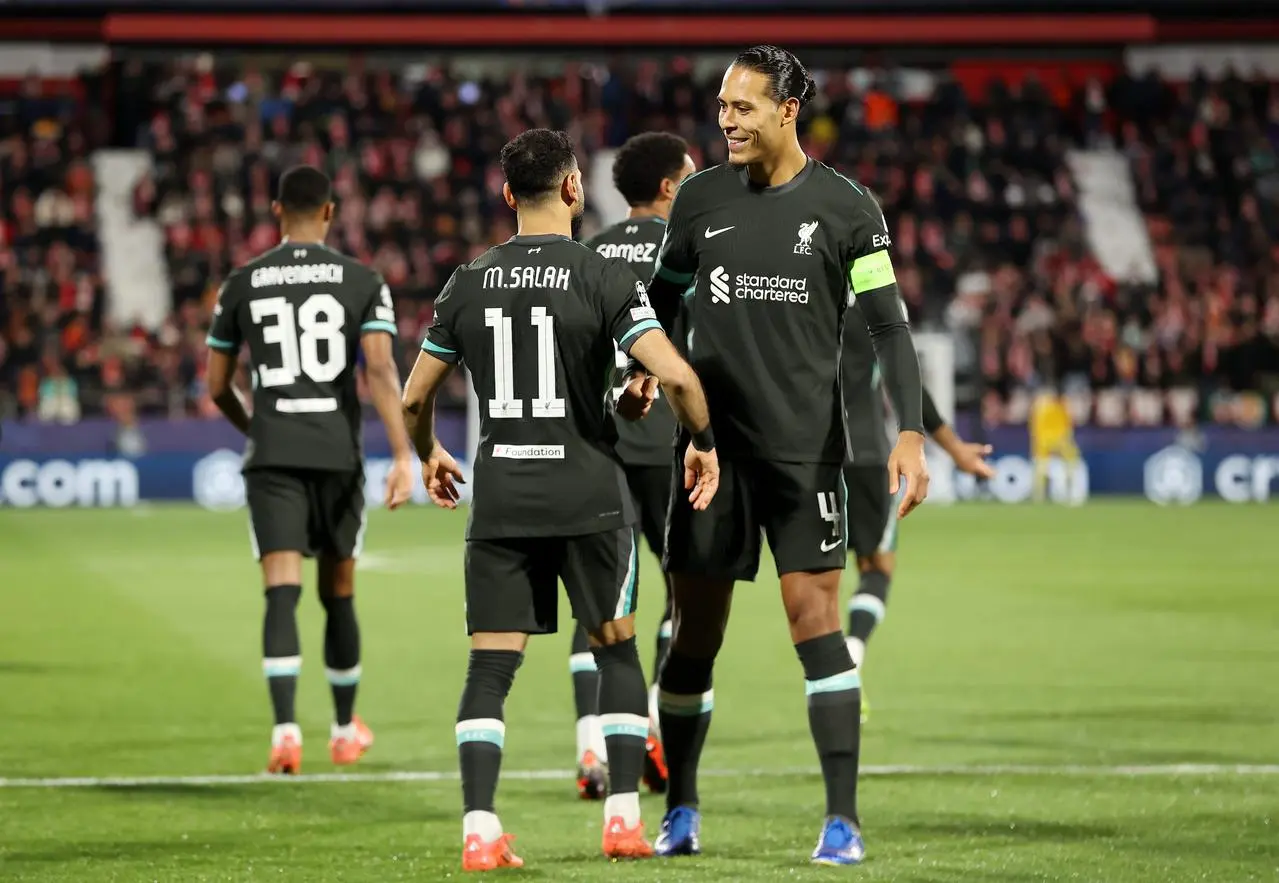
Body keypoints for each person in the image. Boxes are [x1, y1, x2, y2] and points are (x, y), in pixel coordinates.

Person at [619, 45, 929, 866]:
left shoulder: (845, 208)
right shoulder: (700, 201)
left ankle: (841, 820)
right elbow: (656, 302)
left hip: (804, 455)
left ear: (787, 110)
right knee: (694, 635)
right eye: (722, 107)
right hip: (709, 455)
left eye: (744, 107)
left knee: (816, 624)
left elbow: (888, 326)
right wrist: (644, 369)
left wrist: (908, 431)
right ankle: (679, 808)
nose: (727, 121)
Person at [400, 128, 719, 872]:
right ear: (574, 190)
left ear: (509, 195)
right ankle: (620, 822)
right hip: (589, 492)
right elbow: (673, 374)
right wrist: (699, 436)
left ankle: (479, 829)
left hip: (503, 490)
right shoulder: (603, 277)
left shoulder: (467, 280)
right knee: (615, 645)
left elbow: (416, 394)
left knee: (489, 667)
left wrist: (426, 453)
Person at [205, 164, 414, 775]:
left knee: (281, 590)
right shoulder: (363, 280)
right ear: (329, 212)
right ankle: (346, 729)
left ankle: (285, 733)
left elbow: (217, 385)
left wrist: (256, 429)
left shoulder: (242, 282)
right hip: (336, 454)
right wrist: (403, 453)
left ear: (276, 211)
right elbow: (378, 371)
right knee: (339, 593)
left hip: (273, 455)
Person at [568, 131, 697, 800]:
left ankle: (590, 747)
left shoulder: (587, 253)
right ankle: (649, 719)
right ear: (670, 187)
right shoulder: (691, 250)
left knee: (598, 601)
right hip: (674, 446)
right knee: (683, 595)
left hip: (600, 446)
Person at [842, 307, 996, 720]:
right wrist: (956, 449)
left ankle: (828, 682)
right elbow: (906, 383)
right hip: (867, 454)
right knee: (876, 566)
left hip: (808, 454)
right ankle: (852, 652)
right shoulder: (876, 295)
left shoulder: (800, 282)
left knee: (812, 580)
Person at [1029, 385, 1079, 503]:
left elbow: (1068, 425)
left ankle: (1071, 491)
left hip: (1057, 440)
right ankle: (1039, 496)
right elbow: (1036, 428)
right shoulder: (1042, 407)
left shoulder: (1061, 405)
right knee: (1041, 468)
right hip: (1046, 441)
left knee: (1071, 463)